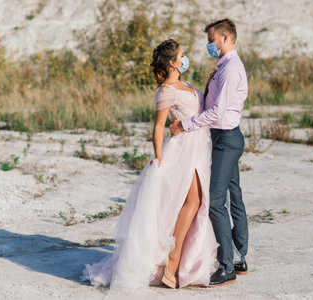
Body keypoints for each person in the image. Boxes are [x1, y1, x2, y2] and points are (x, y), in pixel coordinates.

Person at [82, 39, 219, 290]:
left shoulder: (185, 84)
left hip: (198, 149)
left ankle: (177, 259)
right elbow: (158, 127)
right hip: (181, 151)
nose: (185, 57)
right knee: (190, 202)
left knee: (195, 202)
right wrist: (158, 157)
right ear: (172, 62)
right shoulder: (167, 90)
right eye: (182, 54)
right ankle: (172, 261)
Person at [170, 19, 249, 287]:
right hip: (226, 137)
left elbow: (218, 111)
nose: (208, 45)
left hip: (226, 139)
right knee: (234, 195)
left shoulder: (230, 69)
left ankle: (227, 265)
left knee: (215, 201)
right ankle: (239, 257)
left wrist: (185, 124)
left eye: (211, 39)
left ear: (225, 38)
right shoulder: (225, 66)